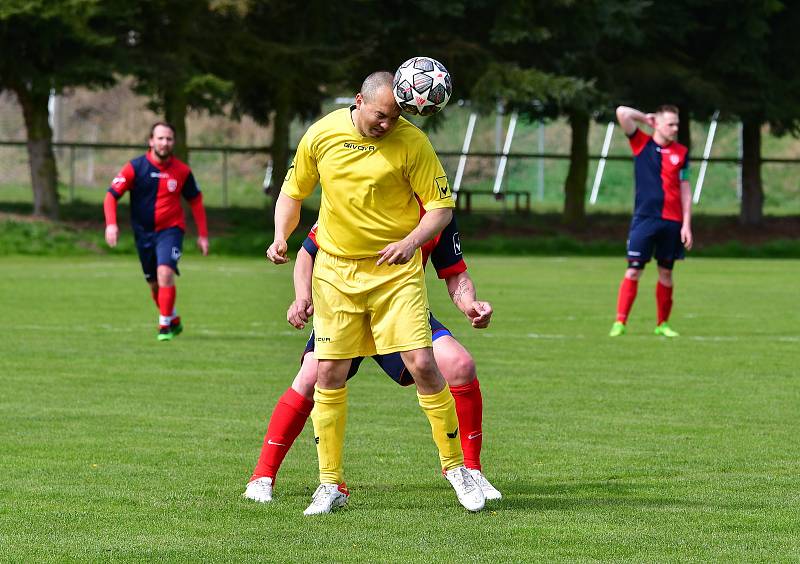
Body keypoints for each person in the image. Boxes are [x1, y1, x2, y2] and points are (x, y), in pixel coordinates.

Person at [265, 71, 486, 514]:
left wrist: (408, 243)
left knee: (424, 363)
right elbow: (293, 192)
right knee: (326, 373)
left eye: (396, 116)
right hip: (336, 274)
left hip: (395, 275)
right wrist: (280, 236)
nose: (388, 124)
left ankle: (458, 469)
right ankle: (329, 485)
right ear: (359, 100)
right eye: (381, 116)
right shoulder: (322, 134)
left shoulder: (412, 142)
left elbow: (441, 207)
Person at [245, 217, 502, 505]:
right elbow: (308, 250)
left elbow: (455, 271)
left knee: (460, 363)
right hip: (346, 306)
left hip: (399, 309)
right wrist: (302, 297)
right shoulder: (361, 189)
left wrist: (470, 305)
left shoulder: (436, 209)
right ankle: (262, 476)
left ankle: (471, 470)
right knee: (310, 376)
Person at [104, 122, 209, 341]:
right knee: (154, 284)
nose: (164, 143)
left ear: (174, 143)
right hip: (143, 234)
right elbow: (111, 196)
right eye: (160, 138)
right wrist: (111, 224)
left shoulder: (182, 171)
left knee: (165, 273)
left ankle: (164, 327)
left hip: (171, 231)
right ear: (151, 141)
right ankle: (173, 318)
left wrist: (203, 235)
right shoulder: (134, 168)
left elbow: (196, 201)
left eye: (169, 139)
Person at [609, 105, 693, 338]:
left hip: (672, 221)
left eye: (677, 124)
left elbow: (685, 189)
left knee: (666, 273)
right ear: (657, 123)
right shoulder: (641, 144)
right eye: (670, 124)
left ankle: (662, 324)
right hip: (645, 219)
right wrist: (645, 118)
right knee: (633, 271)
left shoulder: (682, 152)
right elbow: (621, 112)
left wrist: (686, 223)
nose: (675, 128)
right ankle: (620, 322)